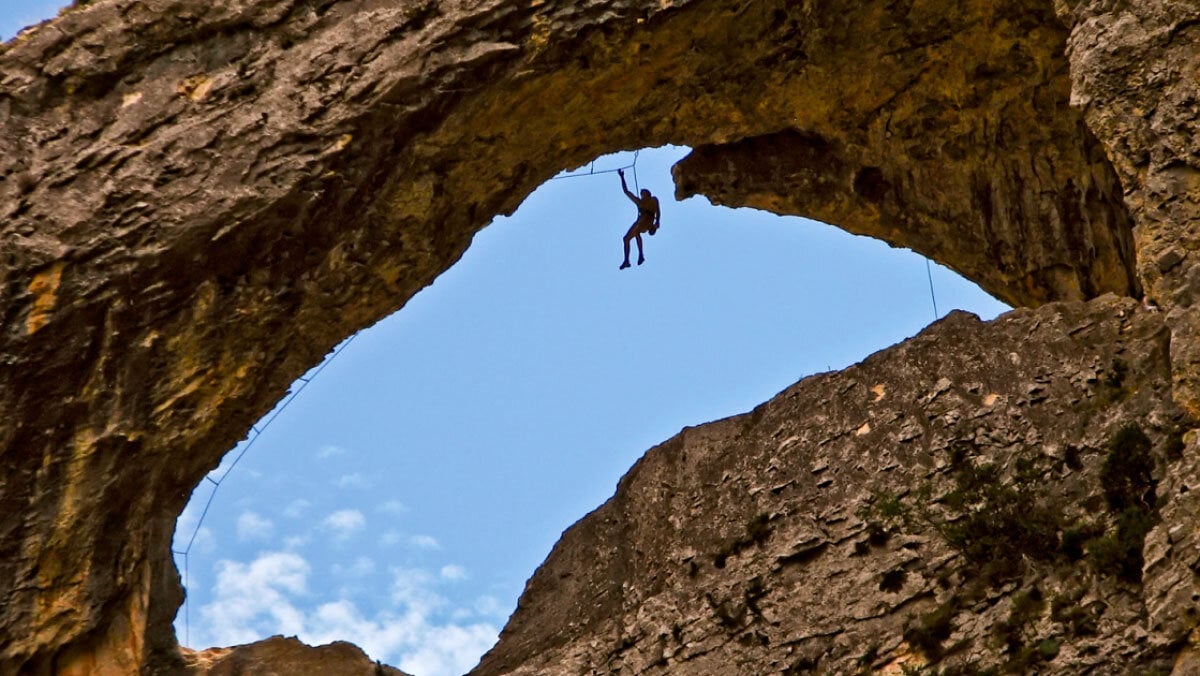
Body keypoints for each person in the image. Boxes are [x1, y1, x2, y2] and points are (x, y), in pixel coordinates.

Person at [617, 169, 660, 269]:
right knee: (626, 238)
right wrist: (622, 177)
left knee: (637, 232)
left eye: (643, 193)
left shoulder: (653, 200)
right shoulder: (640, 202)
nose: (641, 194)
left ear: (647, 194)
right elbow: (626, 191)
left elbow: (658, 211)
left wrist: (657, 221)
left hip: (648, 220)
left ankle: (641, 254)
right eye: (641, 194)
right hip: (640, 221)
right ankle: (626, 260)